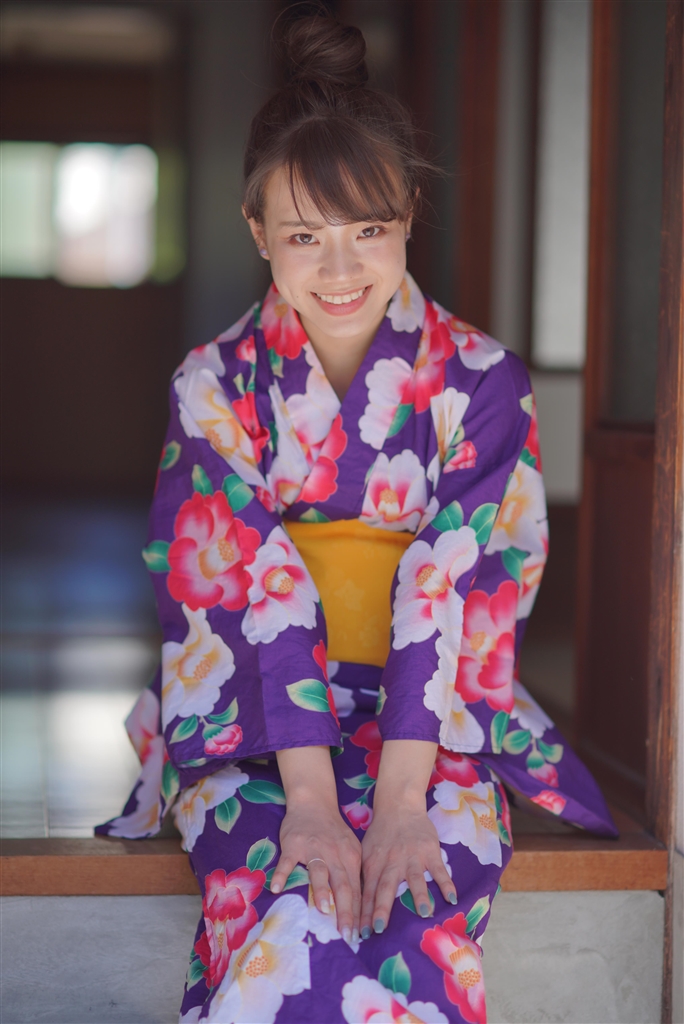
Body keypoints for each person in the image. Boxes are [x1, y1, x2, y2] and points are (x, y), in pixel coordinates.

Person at [97, 14, 616, 1024]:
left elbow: (457, 580)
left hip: (435, 718)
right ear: (258, 233)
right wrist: (310, 801)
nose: (340, 271)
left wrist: (403, 800)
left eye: (368, 229)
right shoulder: (214, 384)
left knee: (417, 899)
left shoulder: (482, 381)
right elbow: (241, 584)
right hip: (256, 716)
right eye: (304, 237)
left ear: (409, 212)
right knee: (292, 896)